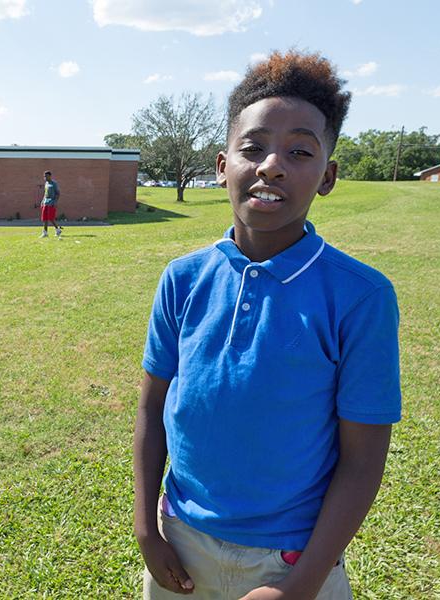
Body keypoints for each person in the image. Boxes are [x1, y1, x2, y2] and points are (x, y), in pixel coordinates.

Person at [135, 50, 401, 600]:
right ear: (221, 165)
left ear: (326, 176)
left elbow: (362, 459)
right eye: (252, 148)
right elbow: (151, 410)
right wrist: (146, 528)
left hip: (294, 561)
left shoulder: (360, 296)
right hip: (181, 544)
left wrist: (301, 584)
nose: (271, 165)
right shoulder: (182, 279)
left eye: (299, 151)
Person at [39, 170, 62, 239]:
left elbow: (58, 193)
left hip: (51, 202)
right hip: (45, 202)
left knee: (51, 218)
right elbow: (45, 193)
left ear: (49, 176)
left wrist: (55, 202)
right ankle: (45, 233)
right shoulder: (46, 183)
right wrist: (42, 201)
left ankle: (57, 230)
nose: (44, 177)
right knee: (44, 218)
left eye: (46, 176)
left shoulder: (54, 183)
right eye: (44, 176)